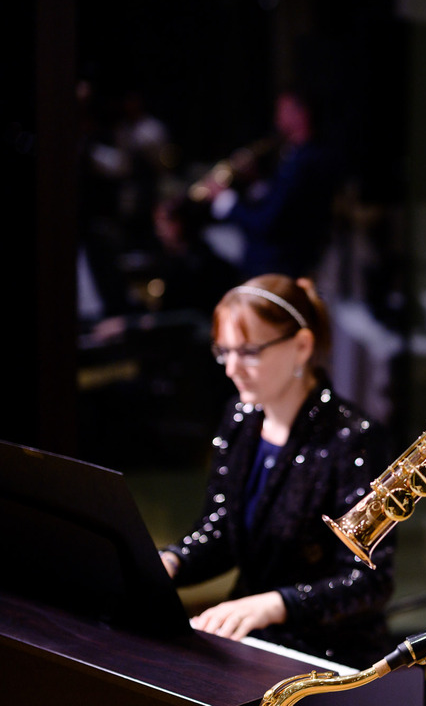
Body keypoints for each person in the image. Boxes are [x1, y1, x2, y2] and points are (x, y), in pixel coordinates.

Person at [160, 274, 395, 667]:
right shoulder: (239, 417)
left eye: (249, 351)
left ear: (302, 346)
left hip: (330, 651)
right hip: (252, 635)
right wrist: (171, 562)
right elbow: (221, 531)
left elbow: (369, 580)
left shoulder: (353, 438)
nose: (231, 368)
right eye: (224, 351)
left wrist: (277, 604)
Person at [200, 89, 344, 280]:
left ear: (301, 114)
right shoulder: (298, 156)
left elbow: (267, 222)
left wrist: (224, 200)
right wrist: (255, 180)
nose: (277, 118)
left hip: (277, 267)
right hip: (279, 262)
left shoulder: (304, 162)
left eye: (282, 111)